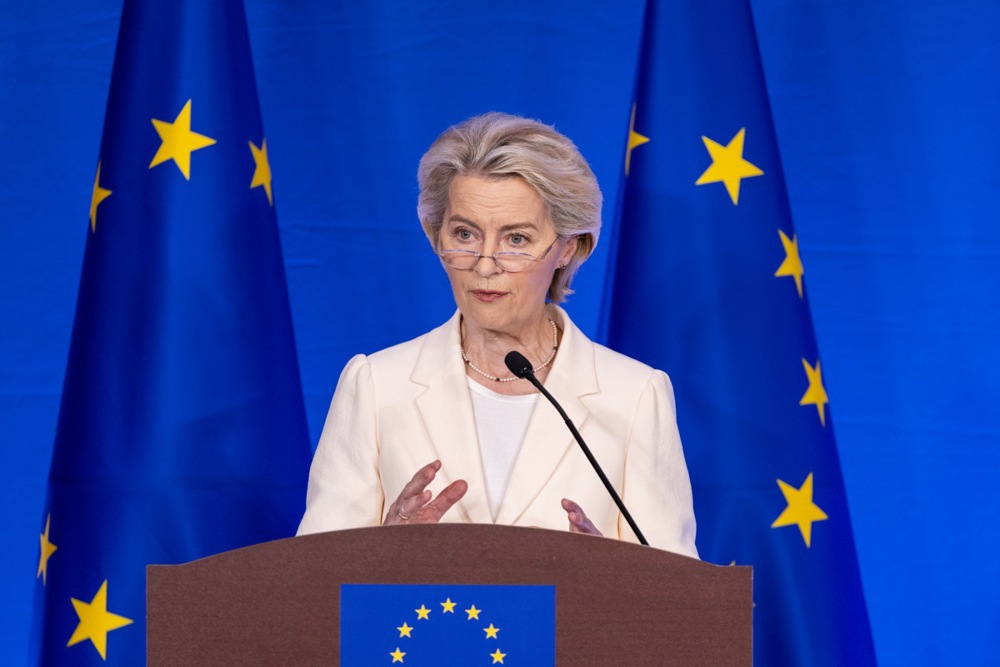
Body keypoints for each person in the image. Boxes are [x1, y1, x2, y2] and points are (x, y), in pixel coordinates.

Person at [297, 112, 697, 558]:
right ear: (436, 236)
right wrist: (382, 550)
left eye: (517, 239)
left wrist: (612, 576)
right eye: (465, 233)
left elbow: (676, 590)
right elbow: (314, 578)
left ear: (567, 247)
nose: (485, 264)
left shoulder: (634, 396)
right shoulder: (376, 386)